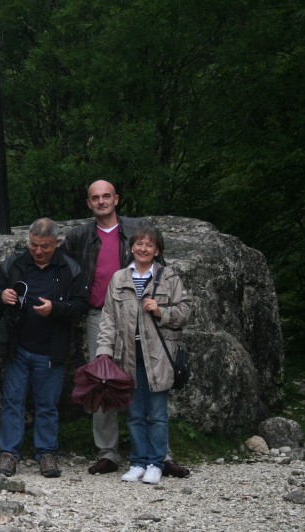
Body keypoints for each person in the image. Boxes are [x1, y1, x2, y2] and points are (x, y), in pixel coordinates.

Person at [61, 179, 190, 478]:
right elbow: (62, 268)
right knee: (103, 381)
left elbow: (163, 277)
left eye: (106, 196)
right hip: (102, 313)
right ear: (89, 203)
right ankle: (109, 452)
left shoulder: (134, 230)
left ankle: (160, 456)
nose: (101, 201)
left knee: (152, 387)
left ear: (116, 199)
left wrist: (159, 309)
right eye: (95, 197)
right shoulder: (80, 236)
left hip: (145, 317)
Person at [0, 218, 87, 478]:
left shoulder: (70, 268)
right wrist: (2, 296)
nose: (38, 251)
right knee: (13, 401)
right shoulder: (15, 262)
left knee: (47, 404)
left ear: (57, 242)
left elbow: (81, 305)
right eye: (33, 245)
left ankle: (47, 454)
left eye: (45, 246)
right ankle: (9, 454)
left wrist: (55, 308)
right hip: (17, 345)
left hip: (51, 348)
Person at [96, 227, 191, 485]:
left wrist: (161, 311)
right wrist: (104, 352)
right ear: (131, 248)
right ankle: (138, 462)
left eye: (149, 245)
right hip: (127, 354)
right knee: (134, 412)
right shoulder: (119, 278)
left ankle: (156, 463)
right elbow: (108, 318)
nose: (143, 249)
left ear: (157, 250)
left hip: (159, 355)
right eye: (139, 244)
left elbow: (185, 311)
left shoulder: (169, 277)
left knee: (157, 414)